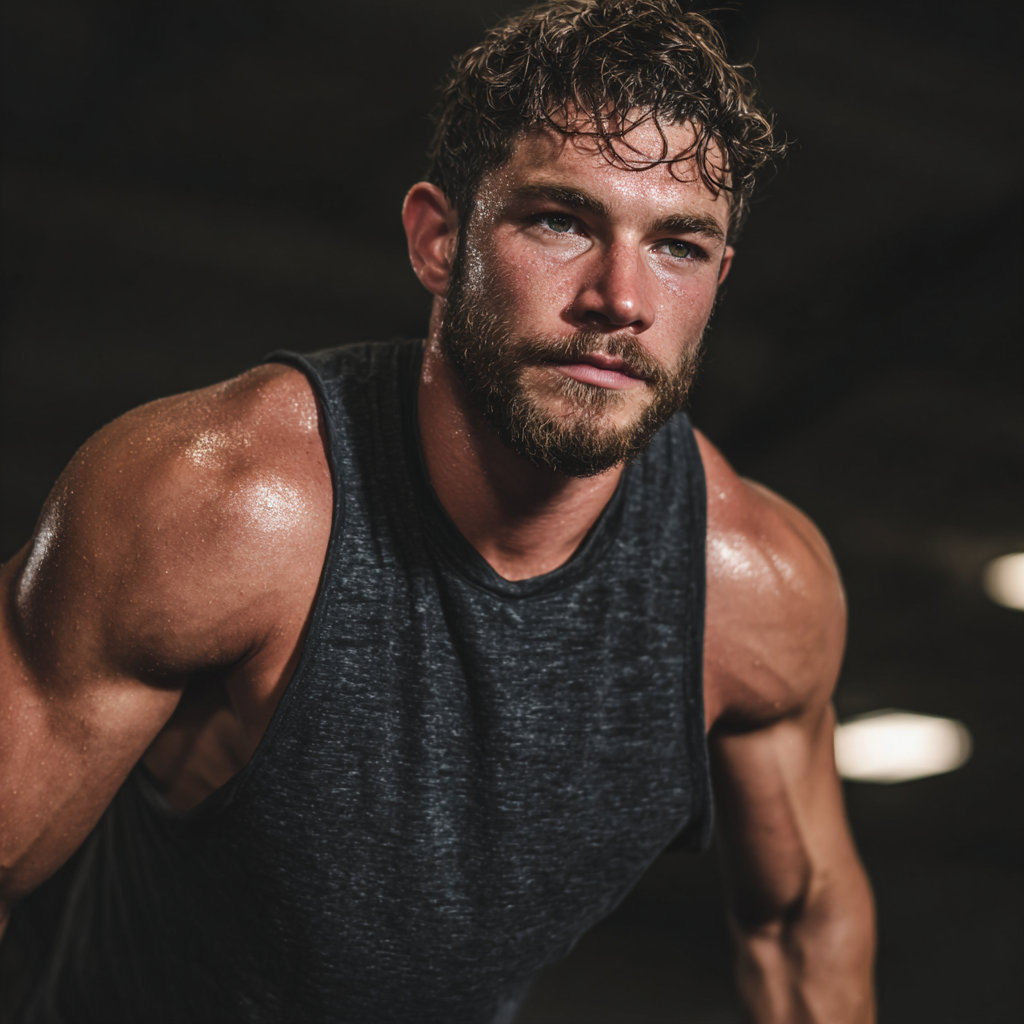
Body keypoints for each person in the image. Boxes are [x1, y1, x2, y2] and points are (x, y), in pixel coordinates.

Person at [0, 1, 875, 1021]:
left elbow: (799, 929)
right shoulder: (224, 504)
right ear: (436, 238)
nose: (620, 296)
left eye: (678, 244)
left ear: (717, 281)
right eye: (560, 220)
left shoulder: (754, 587)